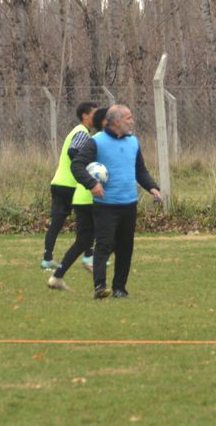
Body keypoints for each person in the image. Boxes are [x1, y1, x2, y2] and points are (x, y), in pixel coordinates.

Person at [71, 105, 161, 299]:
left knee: (125, 247)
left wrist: (152, 187)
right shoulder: (96, 142)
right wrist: (92, 184)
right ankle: (100, 286)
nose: (132, 121)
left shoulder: (133, 142)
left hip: (129, 204)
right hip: (106, 206)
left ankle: (120, 288)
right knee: (104, 245)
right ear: (117, 122)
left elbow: (140, 170)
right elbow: (77, 165)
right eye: (128, 118)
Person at [48, 107, 108, 291]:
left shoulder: (94, 139)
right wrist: (93, 177)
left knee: (83, 241)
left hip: (81, 196)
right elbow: (76, 159)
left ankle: (57, 276)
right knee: (108, 236)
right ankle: (97, 272)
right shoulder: (96, 141)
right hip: (91, 196)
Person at [41, 102, 98, 270]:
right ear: (85, 116)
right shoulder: (82, 133)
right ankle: (88, 256)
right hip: (71, 185)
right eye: (94, 113)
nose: (97, 116)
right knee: (90, 218)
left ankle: (47, 258)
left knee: (57, 222)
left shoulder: (76, 131)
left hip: (59, 182)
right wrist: (85, 166)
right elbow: (73, 151)